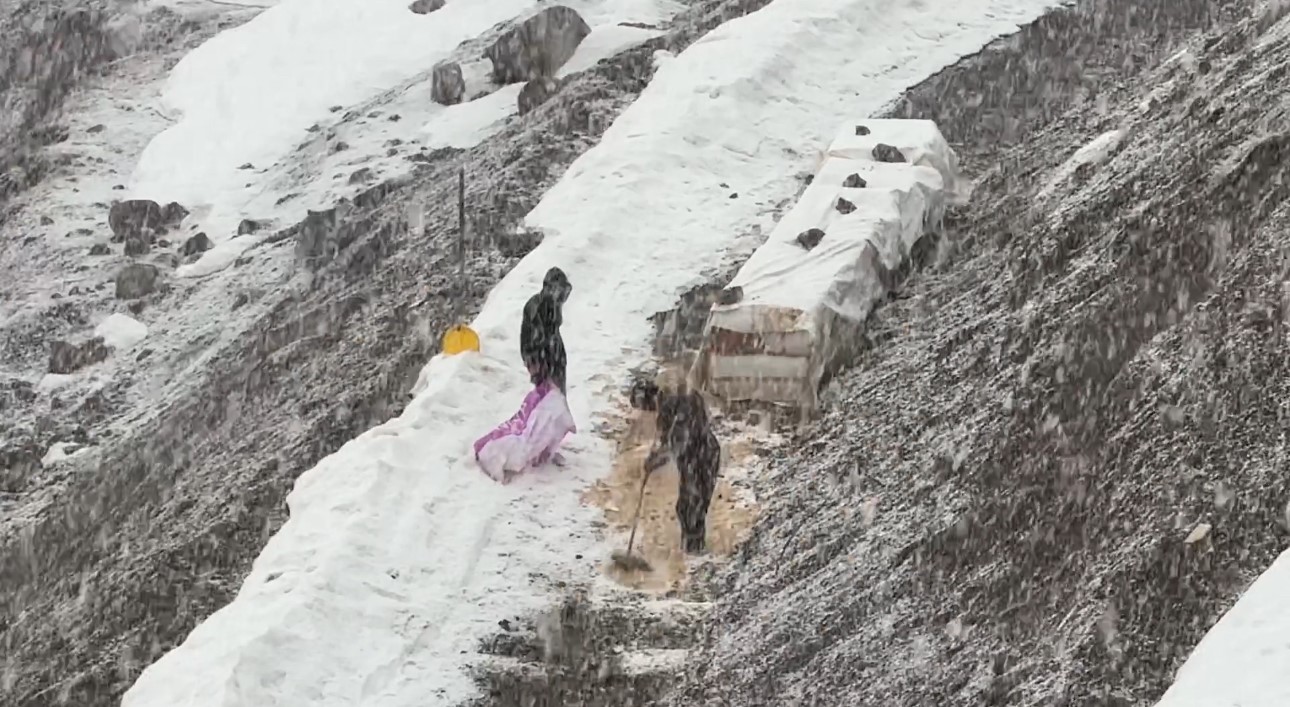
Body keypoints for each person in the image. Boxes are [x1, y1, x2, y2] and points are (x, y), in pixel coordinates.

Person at [644, 389, 721, 554]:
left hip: (702, 456)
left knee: (692, 505)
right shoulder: (676, 404)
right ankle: (692, 547)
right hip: (699, 454)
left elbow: (678, 442)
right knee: (690, 505)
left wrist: (656, 459)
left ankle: (694, 550)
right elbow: (672, 440)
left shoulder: (677, 411)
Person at [521, 267, 572, 394]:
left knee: (557, 400)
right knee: (548, 401)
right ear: (550, 289)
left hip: (555, 361)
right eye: (559, 292)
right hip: (543, 363)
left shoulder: (553, 306)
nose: (561, 298)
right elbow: (534, 342)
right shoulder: (536, 307)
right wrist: (538, 368)